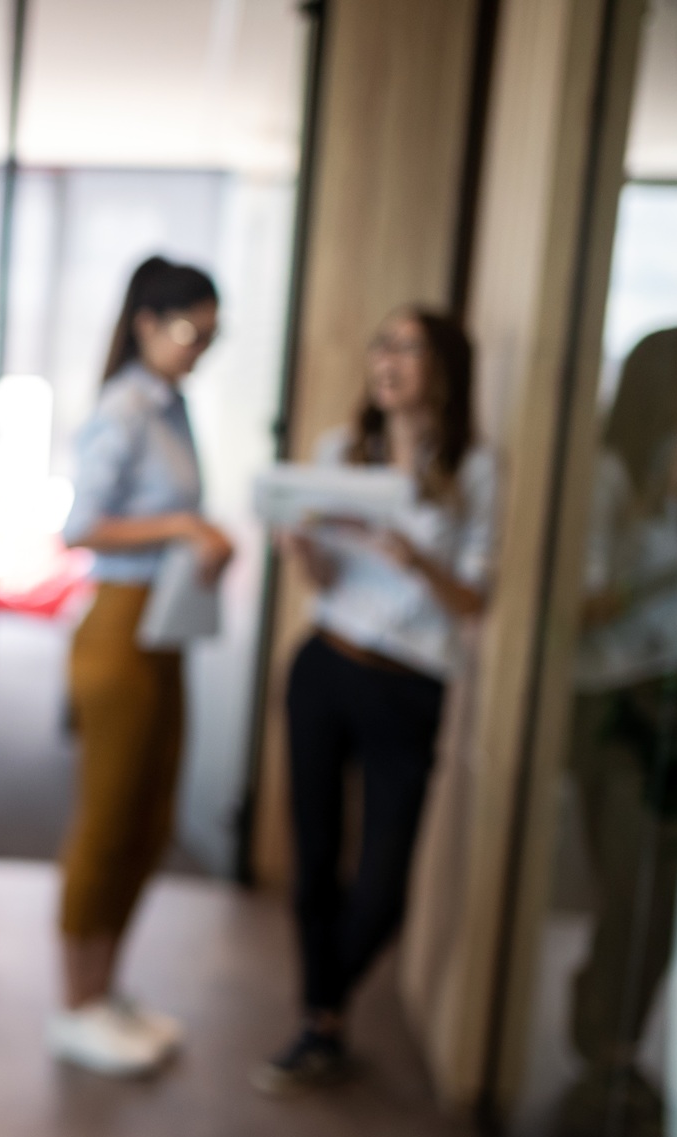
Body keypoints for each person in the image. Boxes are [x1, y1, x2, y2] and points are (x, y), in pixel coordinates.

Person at [255, 306, 497, 1095]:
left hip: (411, 682)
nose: (387, 360)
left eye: (407, 346)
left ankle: (324, 999)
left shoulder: (477, 468)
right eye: (380, 343)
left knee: (384, 882)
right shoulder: (341, 452)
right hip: (325, 663)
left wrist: (417, 559)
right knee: (314, 852)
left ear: (444, 367)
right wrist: (301, 551)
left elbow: (473, 602)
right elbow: (328, 579)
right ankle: (322, 1023)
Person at [49, 256, 230, 1076]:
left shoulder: (173, 407)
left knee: (152, 817)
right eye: (191, 331)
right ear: (149, 323)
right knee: (108, 818)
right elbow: (80, 527)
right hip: (118, 630)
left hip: (164, 627)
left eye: (211, 335)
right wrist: (183, 530)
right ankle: (76, 1005)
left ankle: (108, 988)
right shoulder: (124, 407)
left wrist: (194, 538)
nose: (200, 349)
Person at [560, 324, 677, 1134]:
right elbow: (585, 605)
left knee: (669, 889)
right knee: (630, 883)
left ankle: (621, 1049)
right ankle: (600, 1038)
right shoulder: (604, 475)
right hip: (618, 701)